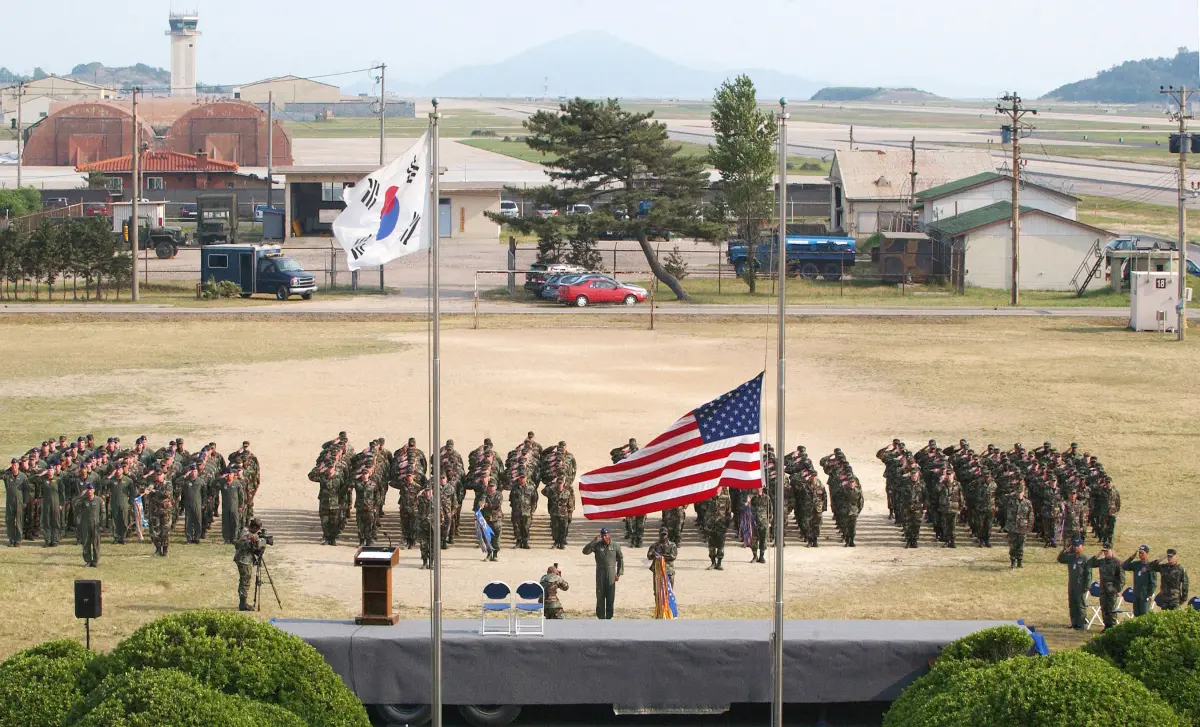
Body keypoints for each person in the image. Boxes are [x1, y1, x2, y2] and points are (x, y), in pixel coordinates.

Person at [583, 528, 623, 620]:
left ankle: (609, 616)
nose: (604, 537)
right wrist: (593, 541)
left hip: (611, 572)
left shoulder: (615, 546)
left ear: (609, 535)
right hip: (600, 572)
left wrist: (618, 574)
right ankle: (600, 616)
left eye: (606, 535)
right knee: (600, 595)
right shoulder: (597, 545)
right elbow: (585, 551)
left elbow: (620, 559)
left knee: (610, 595)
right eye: (602, 536)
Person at [1086, 543, 1125, 629]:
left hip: (1112, 589)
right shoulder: (1102, 561)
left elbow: (1121, 578)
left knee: (1111, 610)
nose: (1105, 553)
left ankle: (1112, 628)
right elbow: (1090, 563)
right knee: (1104, 609)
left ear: (1111, 550)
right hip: (1103, 589)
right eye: (1104, 551)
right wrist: (1099, 553)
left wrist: (1118, 590)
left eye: (1107, 551)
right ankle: (1106, 626)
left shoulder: (1117, 562)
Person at [1057, 540, 1092, 629]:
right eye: (1075, 546)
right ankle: (1074, 623)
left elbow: (1088, 574)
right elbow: (1060, 559)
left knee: (1080, 605)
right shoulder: (1071, 557)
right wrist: (1066, 550)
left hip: (1080, 585)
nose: (1076, 548)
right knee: (1072, 604)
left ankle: (1081, 624)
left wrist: (1087, 586)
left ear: (1082, 547)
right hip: (1072, 584)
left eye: (1078, 546)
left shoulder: (1085, 558)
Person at [234, 518, 264, 611]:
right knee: (245, 580)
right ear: (254, 527)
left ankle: (243, 602)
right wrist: (253, 542)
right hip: (243, 560)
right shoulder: (246, 533)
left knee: (245, 579)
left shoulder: (248, 532)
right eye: (257, 529)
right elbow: (239, 545)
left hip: (245, 559)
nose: (257, 531)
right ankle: (243, 604)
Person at [1122, 545, 1158, 617]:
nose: (1140, 555)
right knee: (1136, 614)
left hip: (1145, 595)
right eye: (1139, 553)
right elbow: (1124, 566)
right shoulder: (1136, 564)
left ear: (1147, 553)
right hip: (1136, 593)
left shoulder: (1150, 566)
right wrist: (1131, 557)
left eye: (1142, 553)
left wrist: (1150, 594)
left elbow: (1153, 582)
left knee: (1144, 614)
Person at [1005, 489, 1034, 568]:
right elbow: (1002, 499)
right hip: (1012, 527)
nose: (1019, 494)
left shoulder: (1027, 503)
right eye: (1018, 492)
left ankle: (1020, 561)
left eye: (1021, 492)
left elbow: (1030, 515)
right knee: (1012, 545)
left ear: (1023, 493)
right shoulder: (1011, 501)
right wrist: (1012, 494)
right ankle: (1013, 561)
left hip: (1023, 527)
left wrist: (1029, 526)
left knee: (1021, 545)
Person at [75, 483, 102, 567]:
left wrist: (102, 525)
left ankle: (95, 561)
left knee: (96, 542)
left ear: (94, 490)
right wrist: (82, 495)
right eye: (88, 490)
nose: (89, 491)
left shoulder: (99, 500)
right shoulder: (84, 500)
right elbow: (75, 503)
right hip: (85, 524)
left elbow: (103, 512)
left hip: (95, 524)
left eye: (91, 489)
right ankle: (88, 560)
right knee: (86, 542)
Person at [178, 464, 204, 545]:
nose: (193, 473)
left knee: (198, 521)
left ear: (197, 472)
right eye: (192, 471)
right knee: (188, 522)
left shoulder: (200, 481)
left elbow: (205, 493)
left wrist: (204, 504)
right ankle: (189, 538)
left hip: (197, 504)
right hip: (188, 504)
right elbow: (177, 482)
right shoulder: (186, 481)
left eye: (195, 471)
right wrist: (185, 476)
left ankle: (197, 538)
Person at [481, 482, 503, 561]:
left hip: (496, 519)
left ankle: (495, 554)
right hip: (487, 519)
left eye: (492, 486)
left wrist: (488, 505)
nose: (491, 488)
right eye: (490, 486)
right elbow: (481, 502)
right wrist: (482, 504)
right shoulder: (484, 495)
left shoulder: (499, 494)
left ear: (495, 487)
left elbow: (497, 504)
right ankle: (489, 554)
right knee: (487, 538)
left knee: (496, 538)